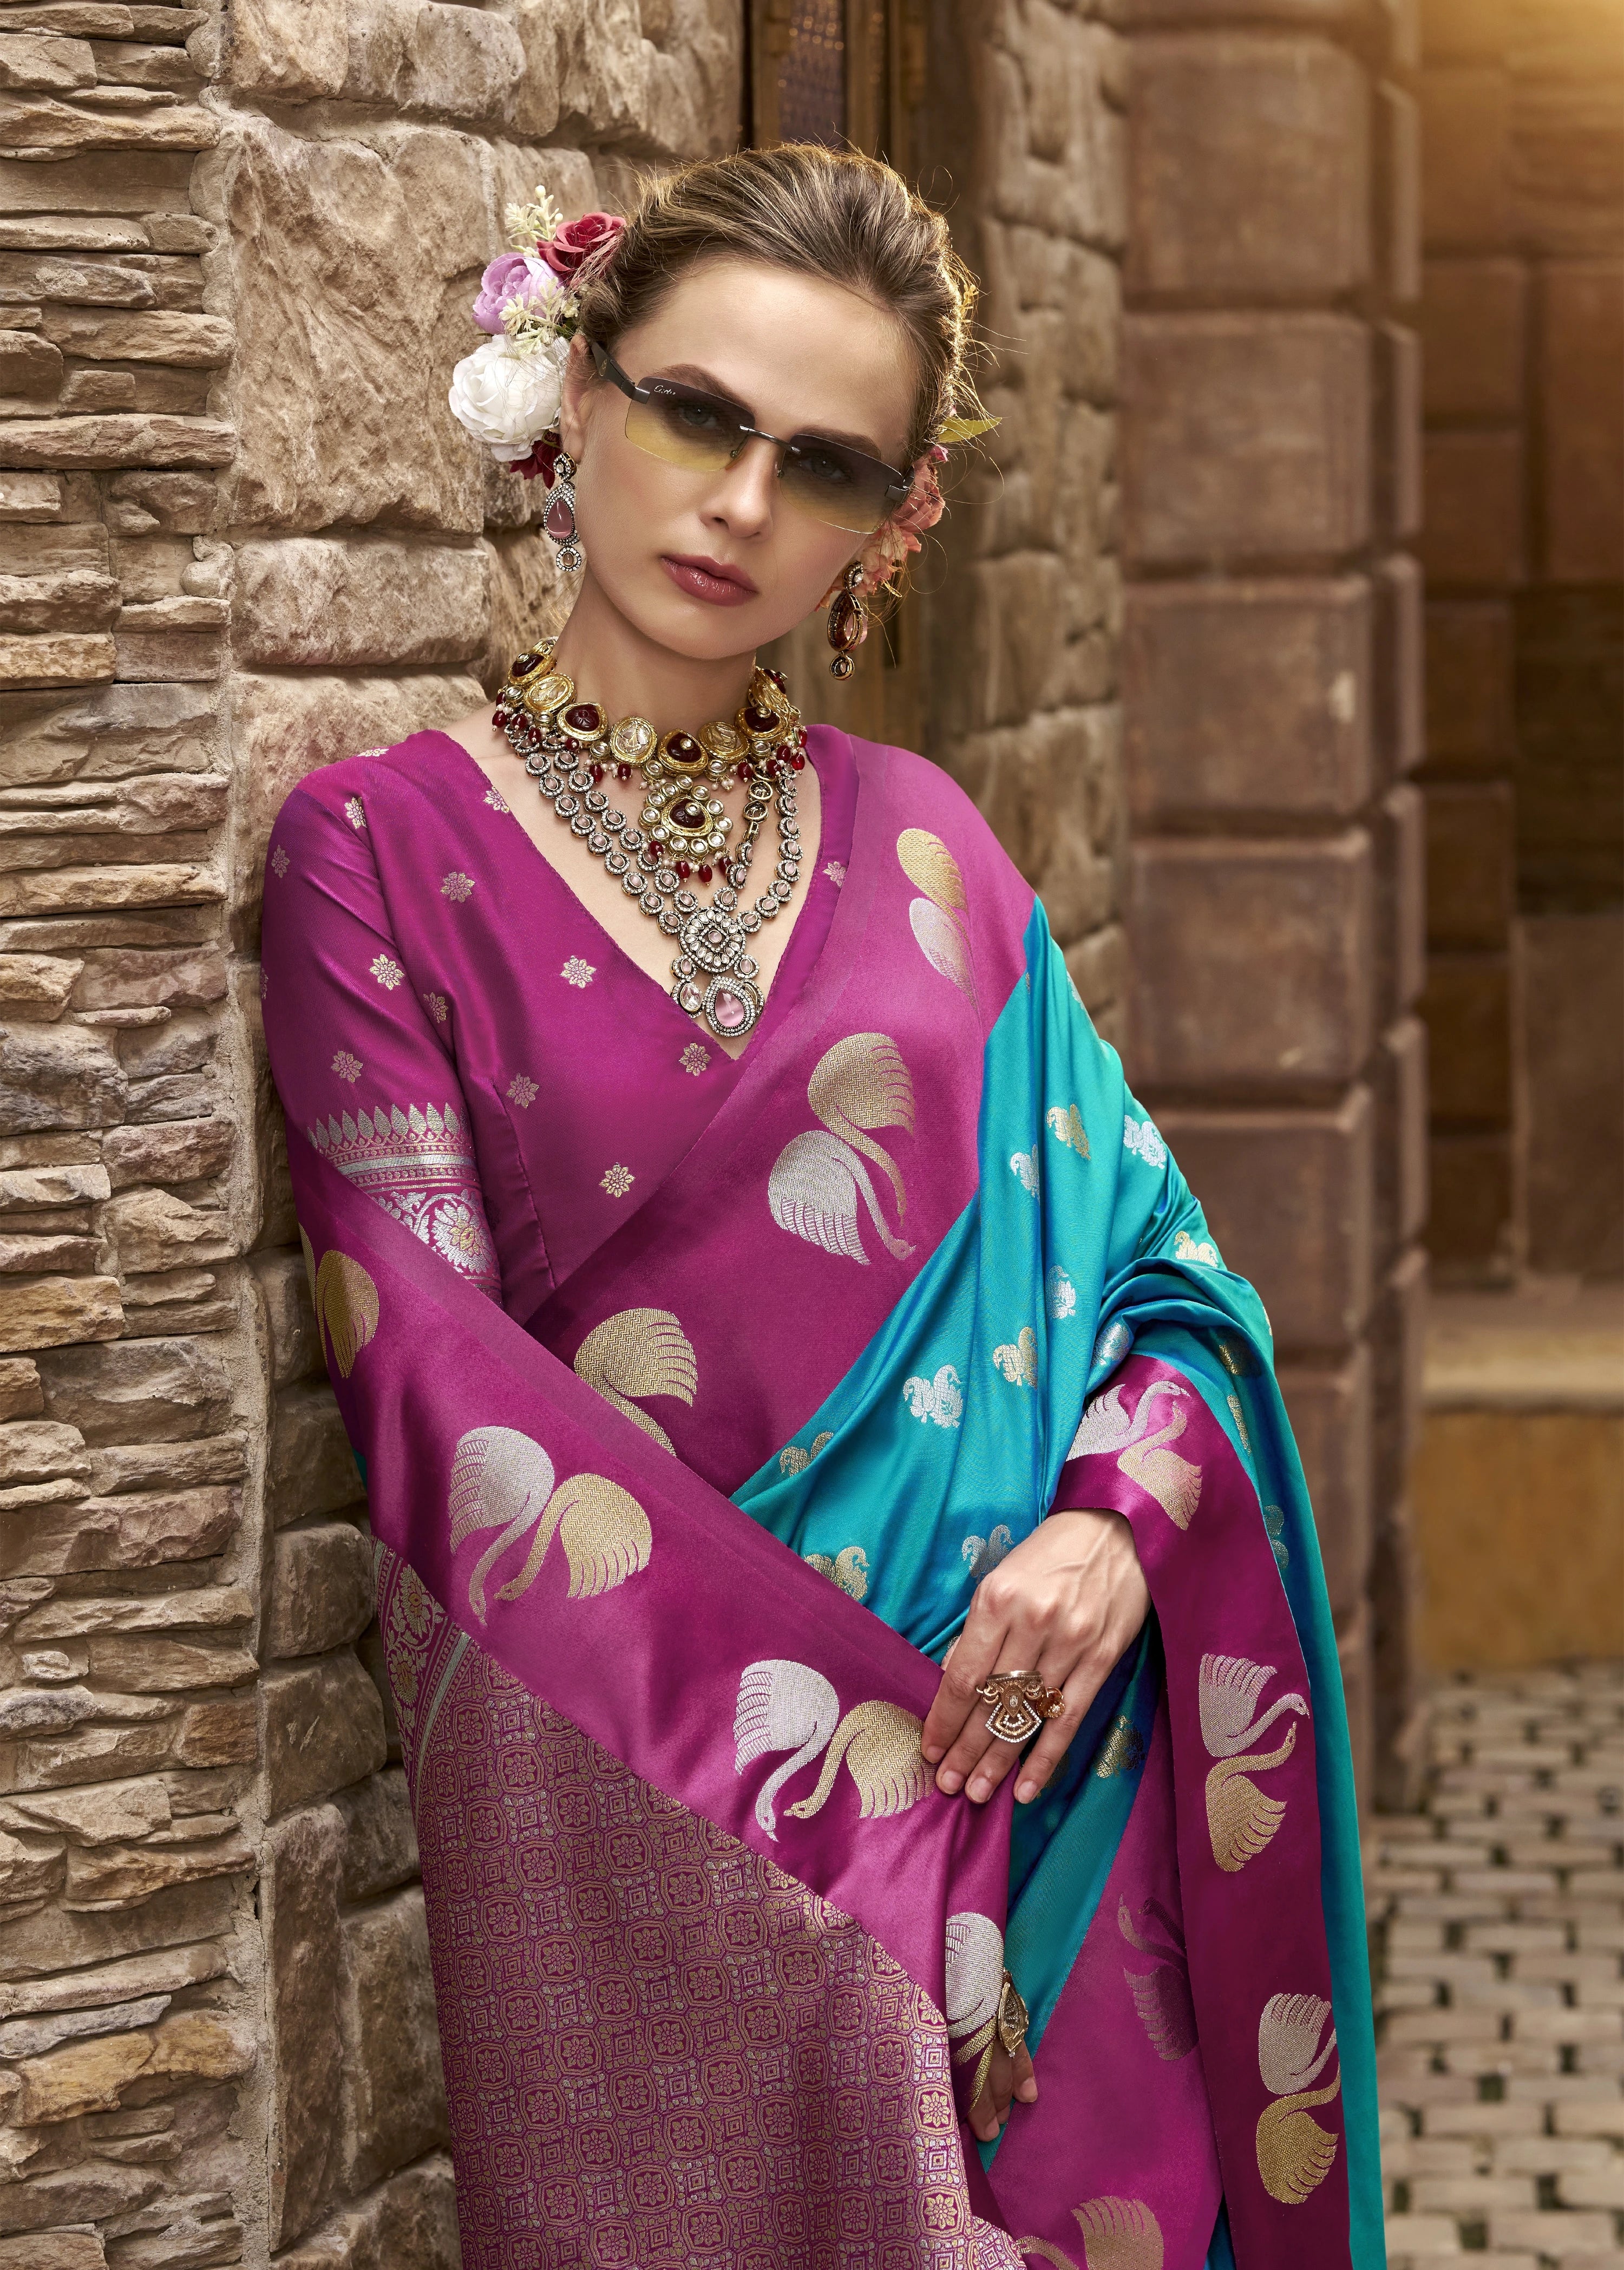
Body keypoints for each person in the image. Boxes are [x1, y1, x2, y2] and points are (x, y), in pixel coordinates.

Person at [259, 144, 1383, 2270]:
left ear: (890, 522)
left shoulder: (932, 842)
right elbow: (434, 1388)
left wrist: (1110, 1529)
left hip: (1050, 1805)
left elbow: (1165, 1273)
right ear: (577, 390)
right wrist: (867, 1824)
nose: (744, 503)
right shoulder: (379, 857)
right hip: (680, 1826)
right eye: (698, 412)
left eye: (828, 464)